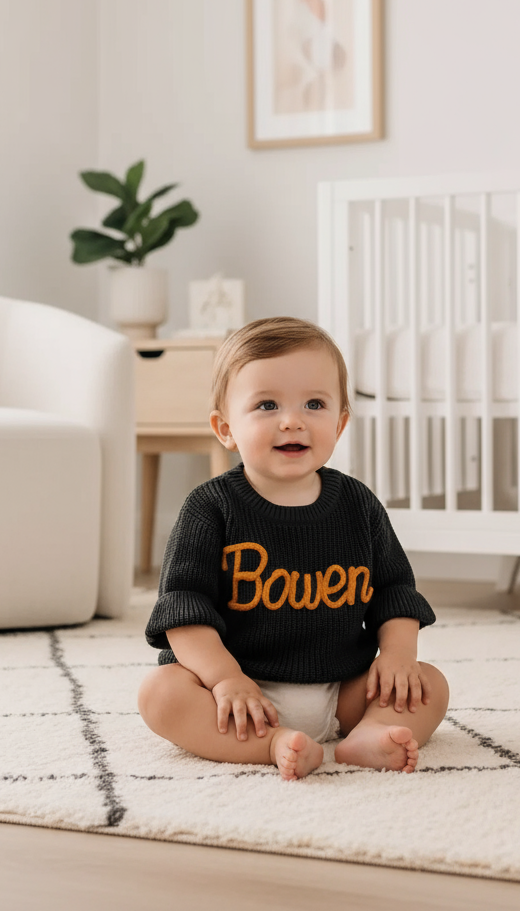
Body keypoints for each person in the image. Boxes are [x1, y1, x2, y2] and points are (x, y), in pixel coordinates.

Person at [137, 317, 448, 781]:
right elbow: (184, 610)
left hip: (341, 685)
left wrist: (398, 656)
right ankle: (274, 744)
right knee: (160, 694)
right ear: (225, 428)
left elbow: (394, 590)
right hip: (238, 692)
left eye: (314, 404)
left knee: (430, 684)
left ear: (340, 424)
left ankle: (371, 734)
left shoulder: (358, 505)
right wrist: (225, 679)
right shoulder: (210, 508)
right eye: (266, 404)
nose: (292, 420)